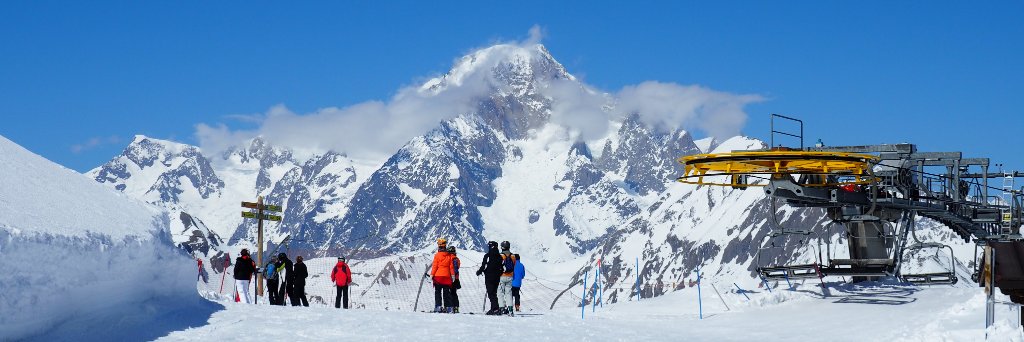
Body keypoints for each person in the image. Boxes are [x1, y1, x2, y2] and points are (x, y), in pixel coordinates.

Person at [476, 241, 503, 315]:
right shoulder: (500, 257)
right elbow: (502, 268)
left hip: (489, 277)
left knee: (491, 293)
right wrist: (499, 274)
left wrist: (479, 272)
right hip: (497, 277)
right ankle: (494, 308)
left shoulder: (487, 256)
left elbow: (484, 266)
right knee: (494, 292)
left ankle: (495, 309)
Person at [430, 238, 455, 313]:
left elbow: (435, 266)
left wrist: (432, 275)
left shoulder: (437, 255)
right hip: (447, 277)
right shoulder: (449, 256)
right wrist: (453, 275)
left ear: (439, 246)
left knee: (438, 292)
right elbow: (451, 267)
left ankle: (438, 307)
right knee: (446, 293)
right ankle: (448, 308)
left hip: (438, 277)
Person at [497, 241, 516, 315]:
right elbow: (513, 265)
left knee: (500, 292)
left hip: (501, 276)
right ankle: (510, 309)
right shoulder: (513, 256)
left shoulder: (501, 256)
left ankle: (502, 308)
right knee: (509, 293)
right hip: (510, 276)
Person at [448, 246, 461, 313]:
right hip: (456, 278)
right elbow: (458, 267)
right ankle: (456, 307)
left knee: (449, 293)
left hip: (449, 278)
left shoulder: (448, 259)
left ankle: (450, 307)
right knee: (454, 293)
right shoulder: (457, 259)